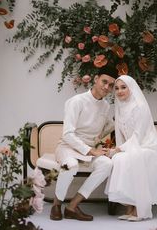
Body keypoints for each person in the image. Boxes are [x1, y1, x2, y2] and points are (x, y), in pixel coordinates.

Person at [105, 75, 157, 221]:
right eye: (117, 88)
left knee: (132, 158)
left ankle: (141, 209)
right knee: (119, 158)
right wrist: (118, 149)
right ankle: (129, 206)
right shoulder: (120, 107)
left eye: (123, 87)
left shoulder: (140, 106)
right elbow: (121, 135)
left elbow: (138, 136)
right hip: (131, 147)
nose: (120, 91)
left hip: (149, 147)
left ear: (131, 88)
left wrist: (118, 149)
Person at [50, 66, 118, 221]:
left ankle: (72, 207)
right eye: (104, 82)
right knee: (71, 165)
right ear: (96, 79)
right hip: (68, 147)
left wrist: (101, 137)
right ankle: (56, 204)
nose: (106, 87)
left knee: (107, 164)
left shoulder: (106, 106)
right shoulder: (76, 101)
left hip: (89, 150)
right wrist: (90, 150)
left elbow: (109, 125)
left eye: (111, 85)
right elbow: (67, 134)